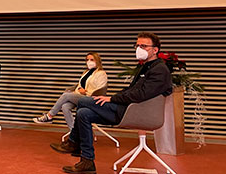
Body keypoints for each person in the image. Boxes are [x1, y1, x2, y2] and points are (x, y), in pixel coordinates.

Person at [50, 32, 172, 174]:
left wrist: (112, 99)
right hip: (125, 108)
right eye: (137, 45)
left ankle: (73, 143)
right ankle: (87, 161)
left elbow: (141, 94)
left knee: (83, 101)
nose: (139, 49)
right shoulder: (146, 67)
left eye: (143, 46)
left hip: (133, 112)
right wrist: (113, 97)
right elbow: (130, 90)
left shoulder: (159, 70)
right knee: (83, 113)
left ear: (155, 50)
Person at [33, 52, 107, 130]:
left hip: (91, 99)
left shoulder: (101, 74)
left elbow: (100, 90)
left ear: (97, 60)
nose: (89, 62)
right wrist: (78, 89)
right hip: (81, 97)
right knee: (65, 106)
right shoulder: (86, 72)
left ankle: (49, 116)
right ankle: (74, 132)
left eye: (92, 59)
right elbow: (80, 85)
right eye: (87, 60)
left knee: (66, 95)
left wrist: (85, 92)